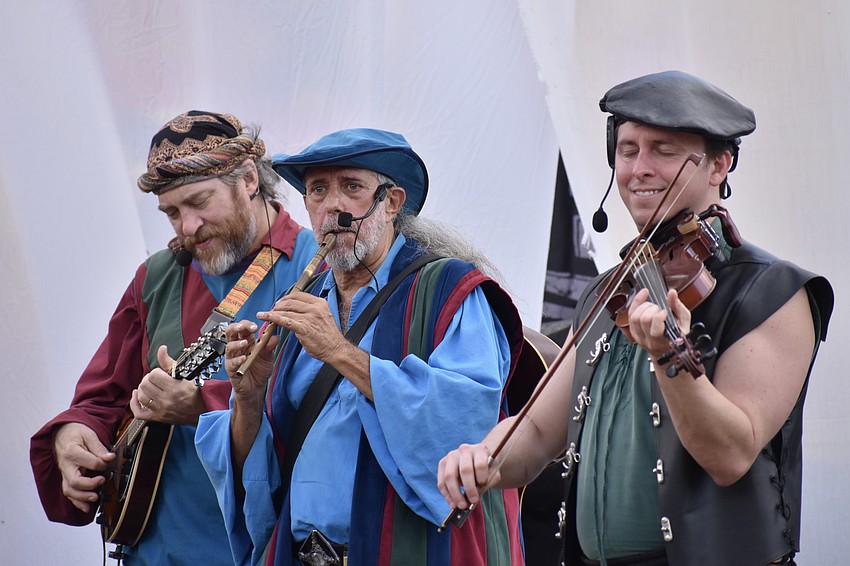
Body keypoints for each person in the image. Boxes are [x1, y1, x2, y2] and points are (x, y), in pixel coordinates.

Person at [437, 70, 834, 566]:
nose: (638, 169)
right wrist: (485, 457)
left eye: (663, 150)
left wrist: (671, 357)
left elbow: (731, 455)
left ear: (719, 165)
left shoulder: (772, 291)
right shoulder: (611, 291)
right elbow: (538, 432)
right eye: (627, 150)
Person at [194, 128, 526, 565]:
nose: (333, 205)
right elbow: (264, 471)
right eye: (317, 190)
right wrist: (249, 397)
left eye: (352, 187)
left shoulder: (451, 291)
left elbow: (467, 429)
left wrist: (340, 352)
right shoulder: (304, 301)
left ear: (391, 203)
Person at [30, 110, 319, 565]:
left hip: (269, 548)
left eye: (200, 201)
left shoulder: (317, 267)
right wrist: (75, 433)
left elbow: (333, 418)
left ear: (247, 180)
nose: (187, 227)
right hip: (156, 549)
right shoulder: (157, 275)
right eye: (171, 212)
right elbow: (102, 397)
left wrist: (202, 407)